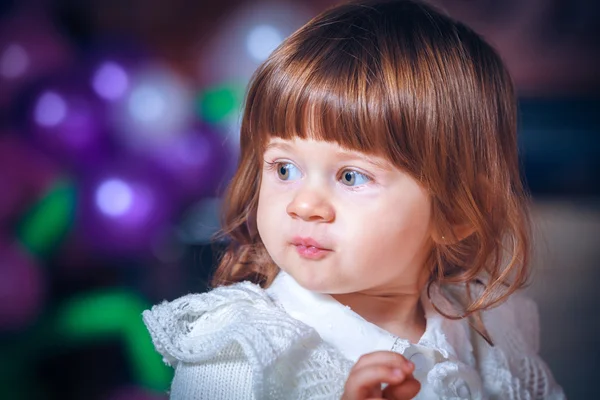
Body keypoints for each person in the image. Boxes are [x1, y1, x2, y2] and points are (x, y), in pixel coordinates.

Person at [142, 0, 566, 398]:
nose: (303, 205)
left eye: (350, 175)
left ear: (456, 211)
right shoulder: (237, 350)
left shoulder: (489, 336)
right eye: (284, 169)